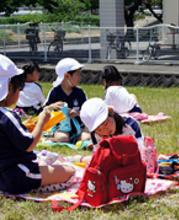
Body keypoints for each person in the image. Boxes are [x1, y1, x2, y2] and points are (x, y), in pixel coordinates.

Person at [0, 54, 74, 194]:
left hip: (4, 174)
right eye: (19, 87)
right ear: (9, 87)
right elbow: (29, 144)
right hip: (16, 175)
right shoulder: (8, 116)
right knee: (69, 171)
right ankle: (38, 187)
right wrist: (41, 121)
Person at [79, 98, 144, 162]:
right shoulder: (95, 134)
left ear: (111, 111)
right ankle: (80, 159)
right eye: (99, 130)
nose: (105, 130)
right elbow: (98, 155)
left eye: (105, 124)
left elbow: (141, 149)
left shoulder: (130, 124)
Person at [44, 58, 89, 143]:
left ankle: (76, 138)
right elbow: (44, 110)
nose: (80, 78)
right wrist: (52, 107)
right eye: (78, 74)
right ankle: (53, 137)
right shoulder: (55, 92)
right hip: (60, 127)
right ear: (67, 76)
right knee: (63, 138)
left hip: (78, 127)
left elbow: (88, 111)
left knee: (86, 139)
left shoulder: (80, 92)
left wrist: (77, 113)